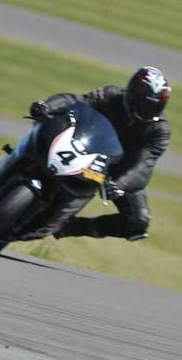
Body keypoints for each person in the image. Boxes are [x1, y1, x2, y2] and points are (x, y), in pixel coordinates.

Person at [28, 66, 172, 241]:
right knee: (46, 132)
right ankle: (21, 164)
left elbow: (144, 165)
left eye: (155, 106)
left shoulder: (159, 130)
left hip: (118, 171)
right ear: (132, 94)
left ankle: (70, 226)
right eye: (145, 104)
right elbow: (77, 101)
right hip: (86, 147)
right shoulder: (111, 95)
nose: (148, 111)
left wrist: (120, 184)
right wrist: (48, 106)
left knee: (138, 221)